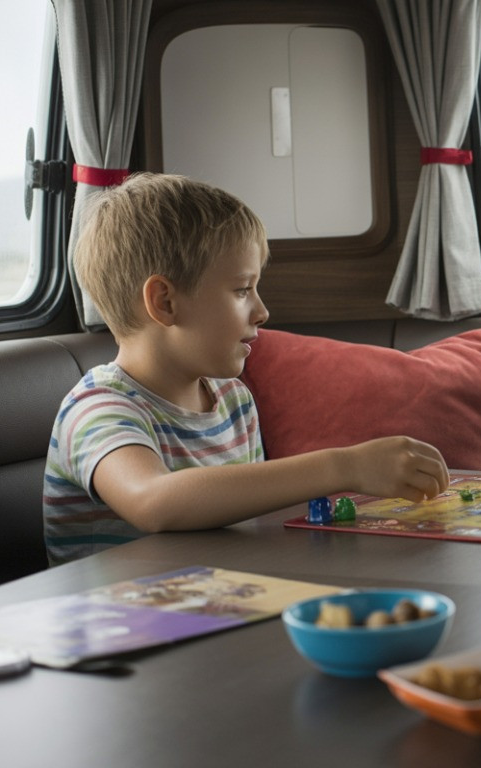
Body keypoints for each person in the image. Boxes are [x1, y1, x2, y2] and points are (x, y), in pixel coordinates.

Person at [43, 173, 449, 565]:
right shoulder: (97, 408)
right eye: (241, 290)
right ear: (165, 302)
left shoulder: (233, 401)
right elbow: (154, 501)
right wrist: (345, 466)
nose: (262, 311)